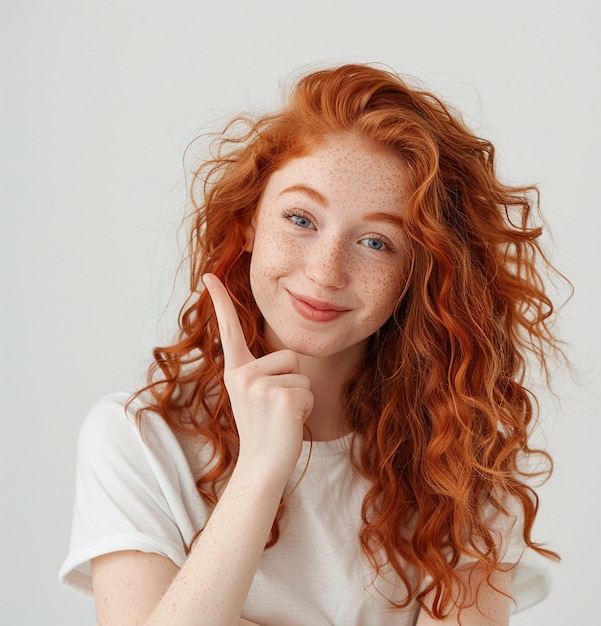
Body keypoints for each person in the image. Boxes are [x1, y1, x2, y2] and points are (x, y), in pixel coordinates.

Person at [59, 63, 568, 625]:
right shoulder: (139, 441)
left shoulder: (458, 461)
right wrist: (260, 470)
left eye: (376, 242)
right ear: (249, 222)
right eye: (301, 218)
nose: (327, 271)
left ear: (419, 272)